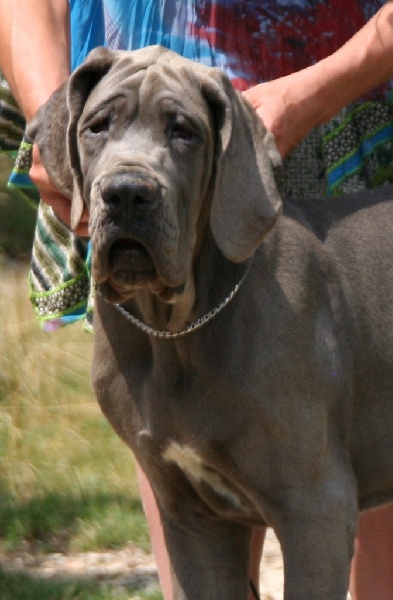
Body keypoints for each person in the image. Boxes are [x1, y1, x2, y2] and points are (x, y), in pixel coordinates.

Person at [0, 1, 392, 598]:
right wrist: (48, 117)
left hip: (356, 90)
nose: (130, 175)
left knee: (335, 514)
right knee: (191, 520)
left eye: (179, 133)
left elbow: (317, 513)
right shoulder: (123, 356)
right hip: (160, 59)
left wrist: (317, 91)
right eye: (101, 126)